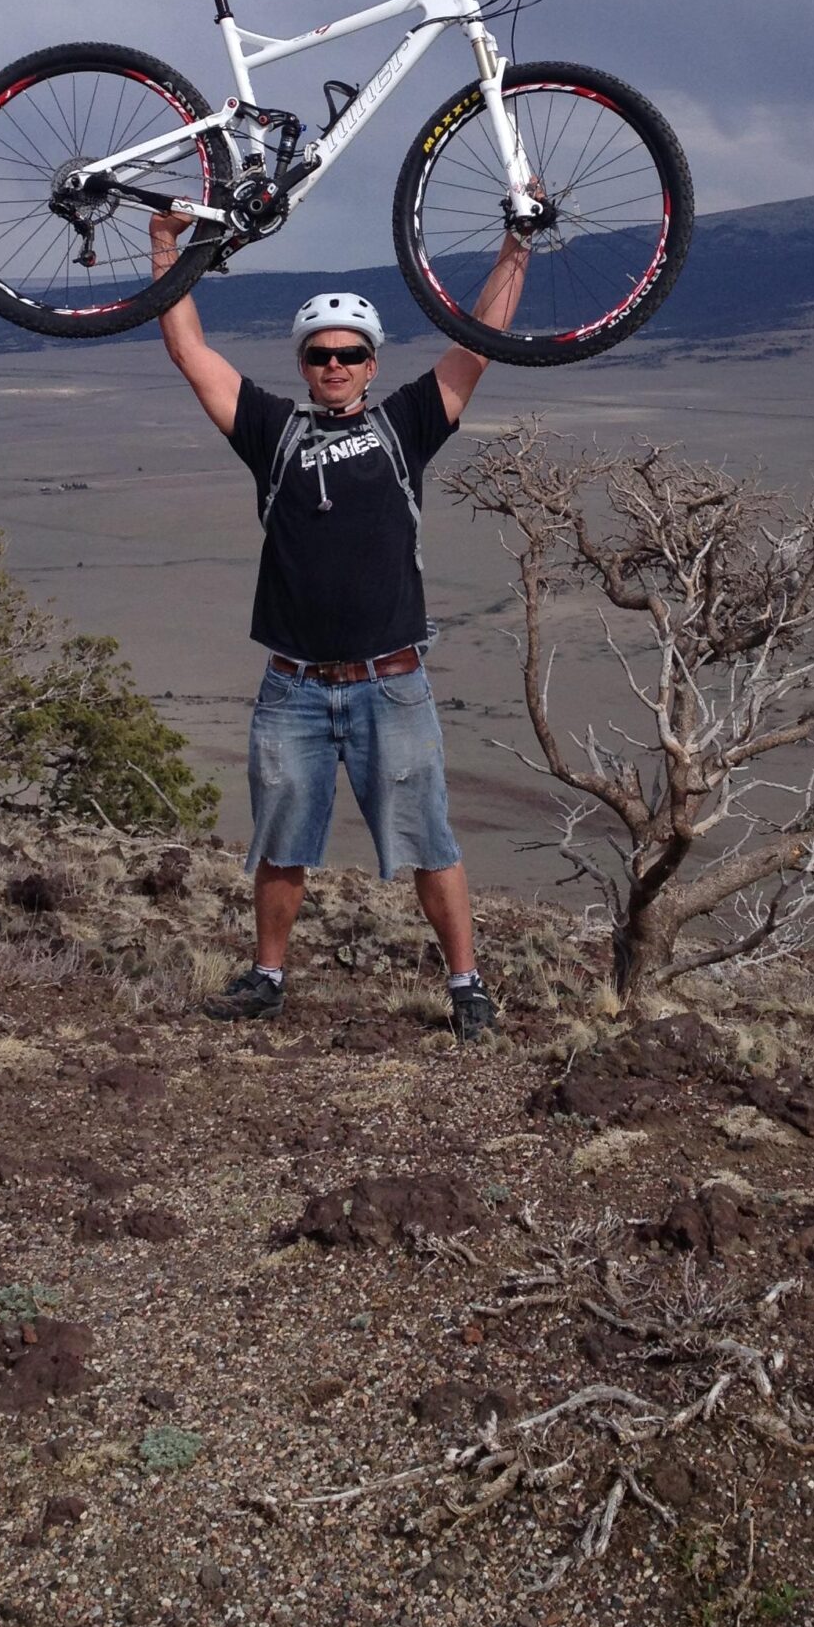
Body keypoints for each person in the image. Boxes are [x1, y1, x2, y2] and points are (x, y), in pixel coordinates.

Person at [148, 206, 534, 1041]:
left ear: (371, 364)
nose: (334, 365)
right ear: (303, 363)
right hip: (292, 686)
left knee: (431, 839)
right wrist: (164, 246)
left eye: (350, 354)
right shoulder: (270, 432)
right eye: (320, 354)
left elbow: (479, 345)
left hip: (391, 684)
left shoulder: (405, 425)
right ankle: (266, 979)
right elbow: (190, 352)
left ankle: (466, 985)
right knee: (281, 841)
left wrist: (518, 244)